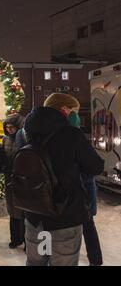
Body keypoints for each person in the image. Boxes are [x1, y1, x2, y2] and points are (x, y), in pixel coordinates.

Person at [23, 93, 104, 266]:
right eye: (74, 111)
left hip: (34, 216)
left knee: (35, 263)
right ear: (64, 110)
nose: (76, 114)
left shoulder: (26, 131)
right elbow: (95, 166)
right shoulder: (71, 135)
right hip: (65, 217)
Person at [68, 108, 103, 266]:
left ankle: (93, 260)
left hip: (78, 195)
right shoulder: (80, 140)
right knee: (88, 228)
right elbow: (95, 167)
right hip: (85, 195)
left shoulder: (68, 140)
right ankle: (95, 261)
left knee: (79, 229)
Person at [2, 113, 26, 249]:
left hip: (21, 179)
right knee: (12, 209)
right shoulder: (5, 139)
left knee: (22, 209)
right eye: (7, 127)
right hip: (9, 178)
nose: (9, 130)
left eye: (12, 127)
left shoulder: (23, 139)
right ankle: (15, 239)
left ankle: (25, 239)